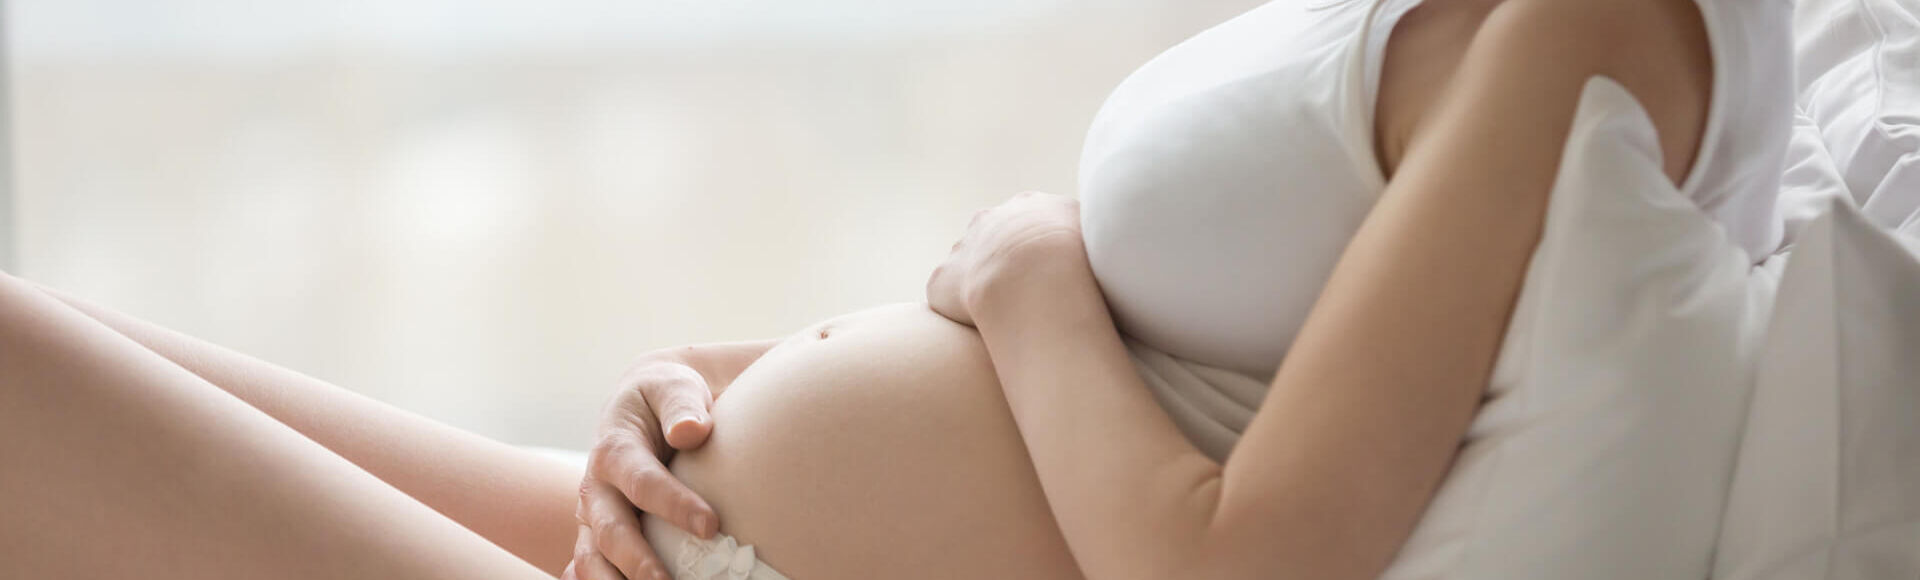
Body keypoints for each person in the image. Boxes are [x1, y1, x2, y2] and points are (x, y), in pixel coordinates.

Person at [0, 0, 1790, 578]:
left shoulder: (1580, 31)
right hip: (671, 524)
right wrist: (736, 379)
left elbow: (1245, 558)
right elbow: (1208, 357)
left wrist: (1017, 281)